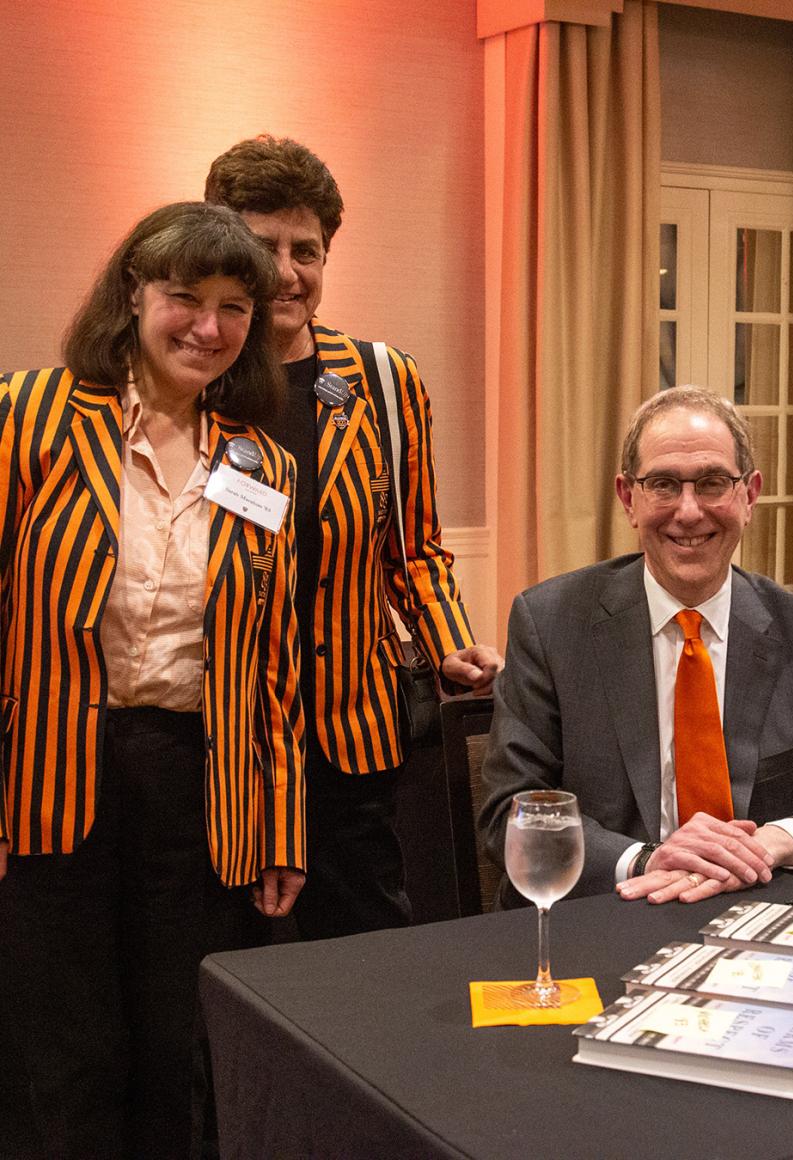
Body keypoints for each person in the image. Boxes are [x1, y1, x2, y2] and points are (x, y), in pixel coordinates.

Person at [0, 202, 305, 1158]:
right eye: (184, 297)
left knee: (179, 1047)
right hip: (47, 778)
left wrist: (284, 823)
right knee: (62, 1046)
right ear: (133, 292)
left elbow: (275, 670)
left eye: (233, 307)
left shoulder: (261, 463)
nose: (206, 328)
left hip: (196, 788)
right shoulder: (28, 416)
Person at [205, 135, 502, 937]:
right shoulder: (189, 384)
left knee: (361, 949)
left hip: (351, 734)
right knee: (229, 950)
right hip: (224, 736)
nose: (288, 272)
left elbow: (415, 544)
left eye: (308, 249)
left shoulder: (381, 380)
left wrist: (450, 641)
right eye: (263, 247)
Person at [478, 386, 793, 907]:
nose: (690, 512)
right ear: (629, 498)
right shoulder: (551, 623)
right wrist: (648, 859)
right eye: (664, 485)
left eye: (714, 482)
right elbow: (511, 813)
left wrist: (769, 843)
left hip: (758, 919)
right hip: (606, 911)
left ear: (749, 495)